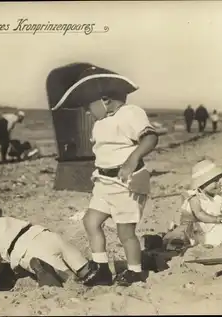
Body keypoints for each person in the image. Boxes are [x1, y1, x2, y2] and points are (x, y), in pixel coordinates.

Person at [50, 66, 159, 286]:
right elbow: (104, 153)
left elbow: (150, 138)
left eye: (88, 107)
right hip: (104, 182)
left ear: (105, 99)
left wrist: (132, 159)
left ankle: (135, 271)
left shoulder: (130, 113)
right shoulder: (100, 123)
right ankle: (101, 268)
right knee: (90, 221)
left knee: (125, 232)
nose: (88, 112)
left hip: (127, 183)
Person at [0, 207, 104, 294]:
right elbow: (5, 264)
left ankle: (45, 271)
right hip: (47, 235)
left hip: (30, 249)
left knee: (70, 283)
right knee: (88, 273)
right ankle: (102, 270)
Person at [163, 159, 222, 249]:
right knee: (183, 235)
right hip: (193, 226)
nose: (219, 183)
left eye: (218, 180)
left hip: (208, 226)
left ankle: (214, 242)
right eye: (215, 181)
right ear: (203, 184)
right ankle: (175, 242)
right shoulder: (194, 197)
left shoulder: (216, 197)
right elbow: (199, 214)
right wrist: (216, 219)